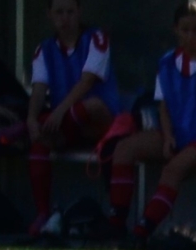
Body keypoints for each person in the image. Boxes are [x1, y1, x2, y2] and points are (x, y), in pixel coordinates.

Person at [107, 1, 196, 245]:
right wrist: (167, 136)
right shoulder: (167, 62)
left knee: (173, 169)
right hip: (178, 132)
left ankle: (142, 232)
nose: (191, 36)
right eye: (185, 30)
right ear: (176, 30)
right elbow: (163, 105)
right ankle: (116, 224)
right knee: (124, 149)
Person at [25, 0, 120, 237]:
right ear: (49, 14)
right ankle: (43, 214)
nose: (65, 18)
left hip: (99, 122)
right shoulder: (44, 49)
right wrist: (31, 119)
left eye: (70, 12)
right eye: (59, 12)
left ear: (79, 12)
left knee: (89, 106)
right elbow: (39, 89)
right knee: (38, 142)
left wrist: (58, 112)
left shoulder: (96, 39)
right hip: (68, 126)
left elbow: (87, 81)